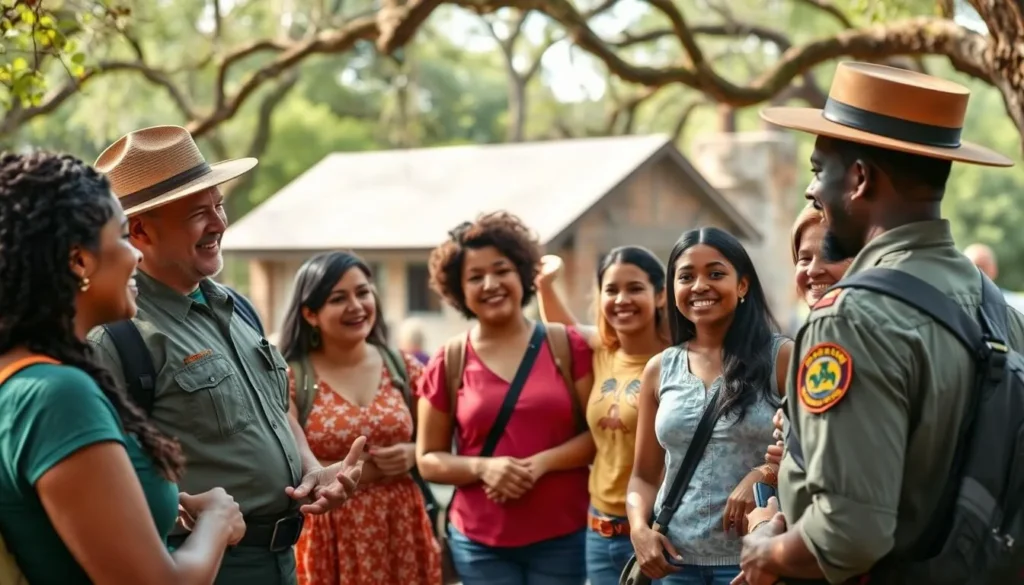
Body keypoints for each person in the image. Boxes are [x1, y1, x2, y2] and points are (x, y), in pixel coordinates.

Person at [736, 61, 1022, 585]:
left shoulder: (849, 320)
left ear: (861, 179)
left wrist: (766, 552)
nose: (811, 191)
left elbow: (849, 534)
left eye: (820, 169)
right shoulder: (993, 305)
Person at [86, 125, 364, 585]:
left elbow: (272, 408)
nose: (219, 222)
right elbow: (106, 487)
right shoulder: (118, 338)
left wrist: (312, 468)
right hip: (206, 567)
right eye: (199, 212)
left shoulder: (237, 308)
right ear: (141, 232)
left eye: (218, 205)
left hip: (281, 561)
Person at [0, 152, 244, 584]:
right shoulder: (56, 395)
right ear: (80, 261)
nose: (135, 255)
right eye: (123, 236)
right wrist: (218, 521)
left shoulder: (25, 378)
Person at [416, 212, 595, 585]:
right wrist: (484, 468)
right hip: (480, 544)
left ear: (522, 273)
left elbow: (601, 436)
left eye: (501, 270)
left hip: (565, 535)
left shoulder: (567, 345)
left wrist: (540, 464)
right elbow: (428, 460)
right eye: (475, 277)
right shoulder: (449, 360)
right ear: (459, 290)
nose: (491, 283)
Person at [626, 227, 791, 585]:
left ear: (743, 285)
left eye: (715, 274)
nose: (700, 285)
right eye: (686, 276)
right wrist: (639, 529)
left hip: (752, 561)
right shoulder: (660, 368)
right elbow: (642, 475)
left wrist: (764, 473)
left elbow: (813, 452)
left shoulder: (781, 357)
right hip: (674, 563)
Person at [278, 252, 441, 585]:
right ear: (310, 313)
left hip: (402, 526)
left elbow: (444, 440)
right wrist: (348, 470)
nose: (356, 305)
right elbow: (282, 457)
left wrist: (414, 454)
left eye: (363, 292)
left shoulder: (405, 369)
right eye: (339, 298)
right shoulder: (290, 377)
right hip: (329, 532)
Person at [535, 247, 670, 585]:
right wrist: (545, 284)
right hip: (600, 531)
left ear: (660, 295)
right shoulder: (603, 352)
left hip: (659, 533)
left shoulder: (678, 360)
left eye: (635, 288)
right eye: (611, 290)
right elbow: (561, 328)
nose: (622, 299)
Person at [964, 243, 1024, 313]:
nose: (980, 273)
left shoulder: (1017, 305)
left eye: (984, 267)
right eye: (974, 268)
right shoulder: (954, 306)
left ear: (994, 269)